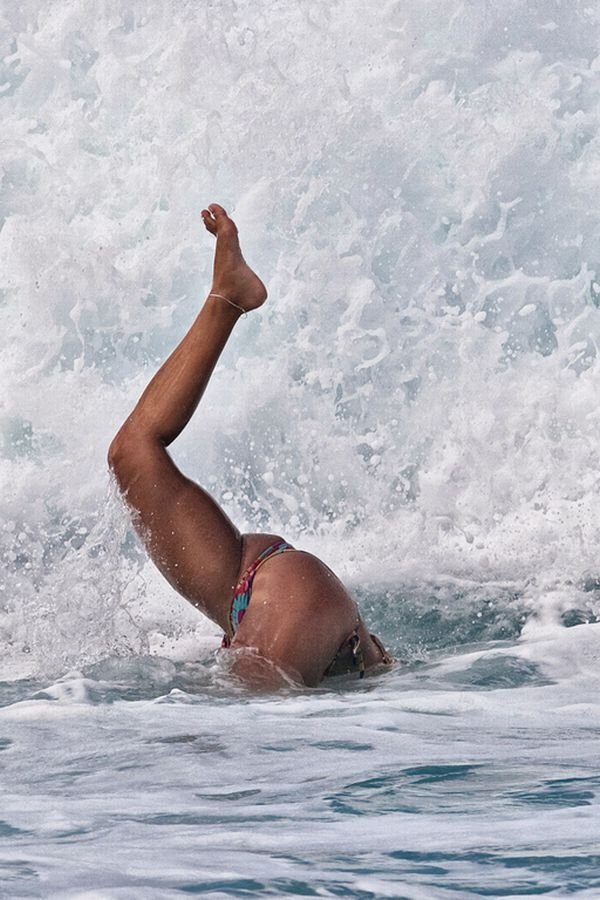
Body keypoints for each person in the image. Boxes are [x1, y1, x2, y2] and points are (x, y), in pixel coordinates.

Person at [108, 203, 392, 688]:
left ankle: (229, 297)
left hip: (258, 594)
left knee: (132, 450)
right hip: (277, 593)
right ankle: (228, 296)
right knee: (132, 453)